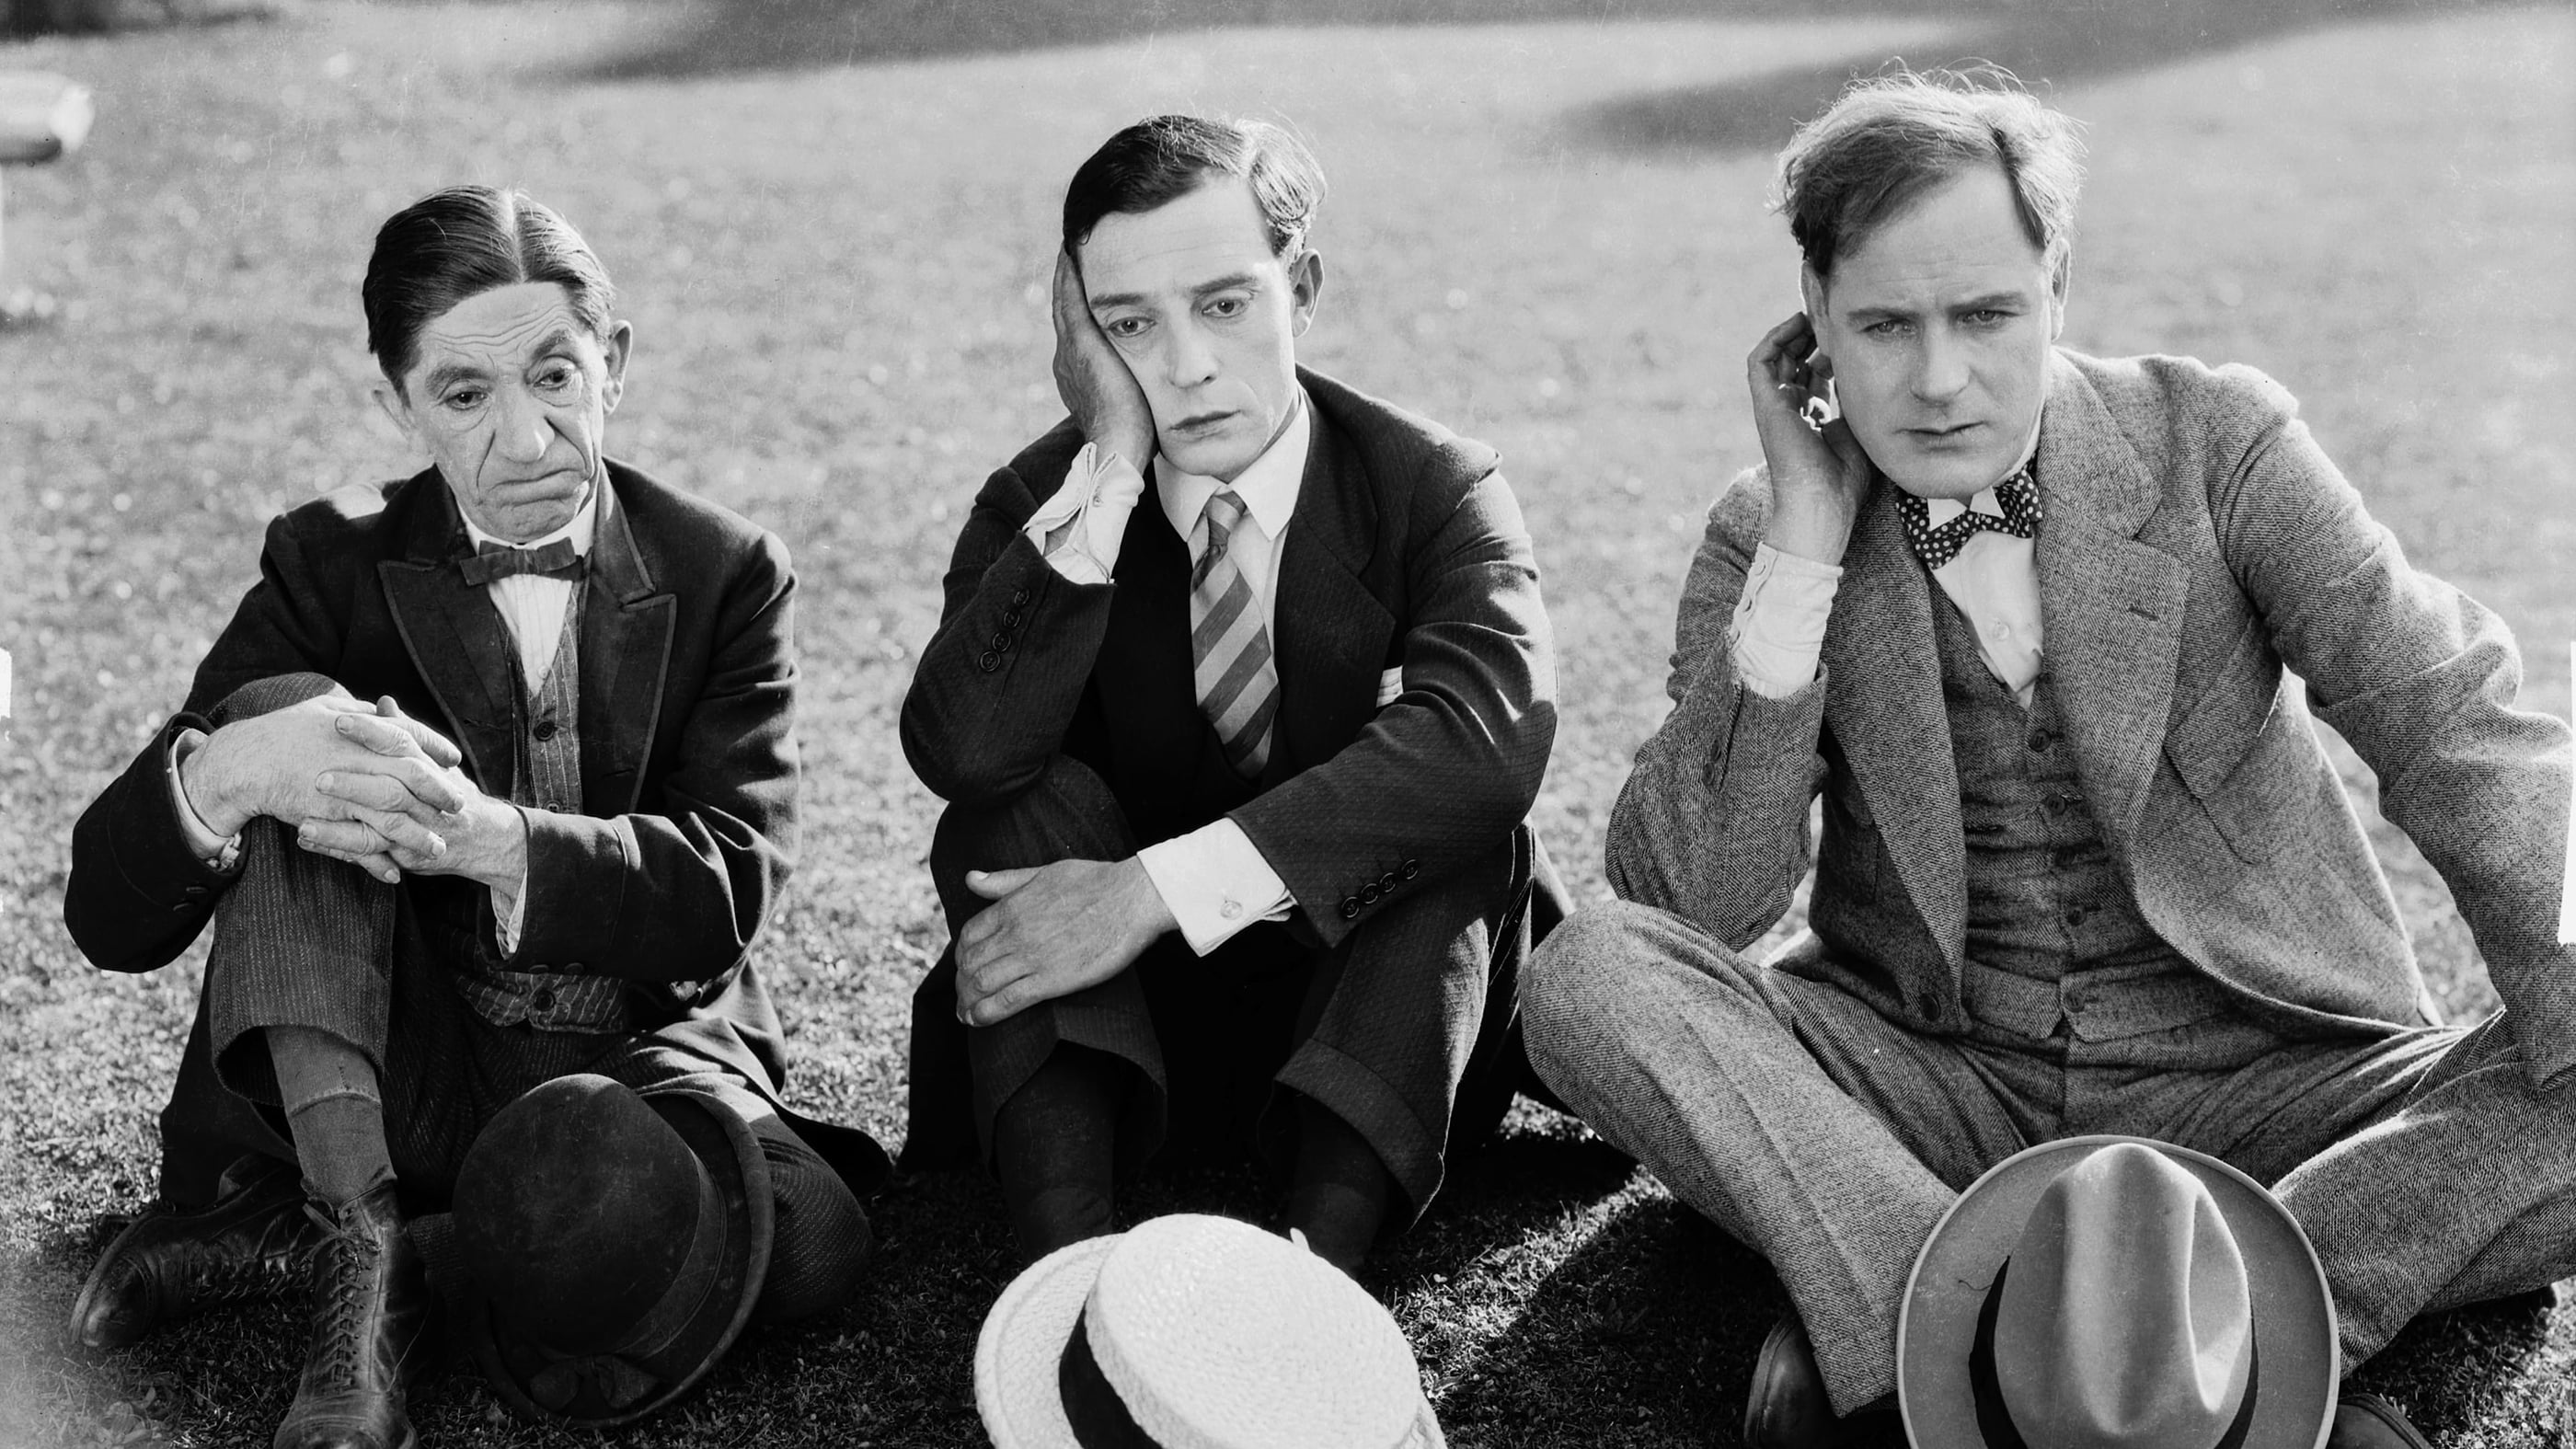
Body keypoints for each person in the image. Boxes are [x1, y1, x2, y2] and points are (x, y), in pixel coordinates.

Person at [1521, 71, 2575, 1449]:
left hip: (2279, 1081)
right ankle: (1958, 1320)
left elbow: (2454, 719)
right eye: (1884, 326)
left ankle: (2196, 1316)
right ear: (1813, 320)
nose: (1937, 379)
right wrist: (1805, 544)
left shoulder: (2218, 442)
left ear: (2057, 289)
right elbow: (1689, 903)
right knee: (1592, 975)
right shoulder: (1766, 532)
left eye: (1985, 315)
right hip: (1937, 1081)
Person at [61, 185, 888, 1449]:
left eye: (555, 376)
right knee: (285, 720)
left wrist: (486, 839)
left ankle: (350, 1248)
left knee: (813, 1237)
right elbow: (106, 918)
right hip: (396, 1050)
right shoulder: (326, 563)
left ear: (613, 363)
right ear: (397, 405)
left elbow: (726, 889)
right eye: (463, 395)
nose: (526, 437)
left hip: (632, 1049)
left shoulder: (727, 568)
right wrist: (230, 771)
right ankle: (355, 1243)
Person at [900, 115, 1565, 1276]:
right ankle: (1066, 1269)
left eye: (1222, 304)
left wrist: (1154, 890)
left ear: (1300, 287)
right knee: (1010, 803)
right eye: (1129, 324)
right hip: (1118, 1027)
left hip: (1363, 1025)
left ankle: (1314, 1278)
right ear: (1083, 342)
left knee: (1456, 824)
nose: (1187, 366)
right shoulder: (1045, 500)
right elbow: (963, 752)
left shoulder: (1431, 484)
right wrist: (1110, 468)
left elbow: (1486, 749)